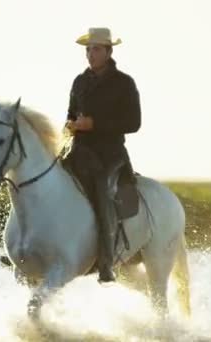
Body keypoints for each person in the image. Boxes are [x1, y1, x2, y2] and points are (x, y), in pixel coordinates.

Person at [63, 27, 141, 282]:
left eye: (96, 49)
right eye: (88, 49)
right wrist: (71, 126)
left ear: (108, 51)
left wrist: (93, 125)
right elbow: (71, 115)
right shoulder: (79, 81)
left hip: (111, 154)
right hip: (80, 151)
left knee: (102, 190)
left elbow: (133, 122)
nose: (90, 54)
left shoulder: (124, 83)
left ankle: (106, 261)